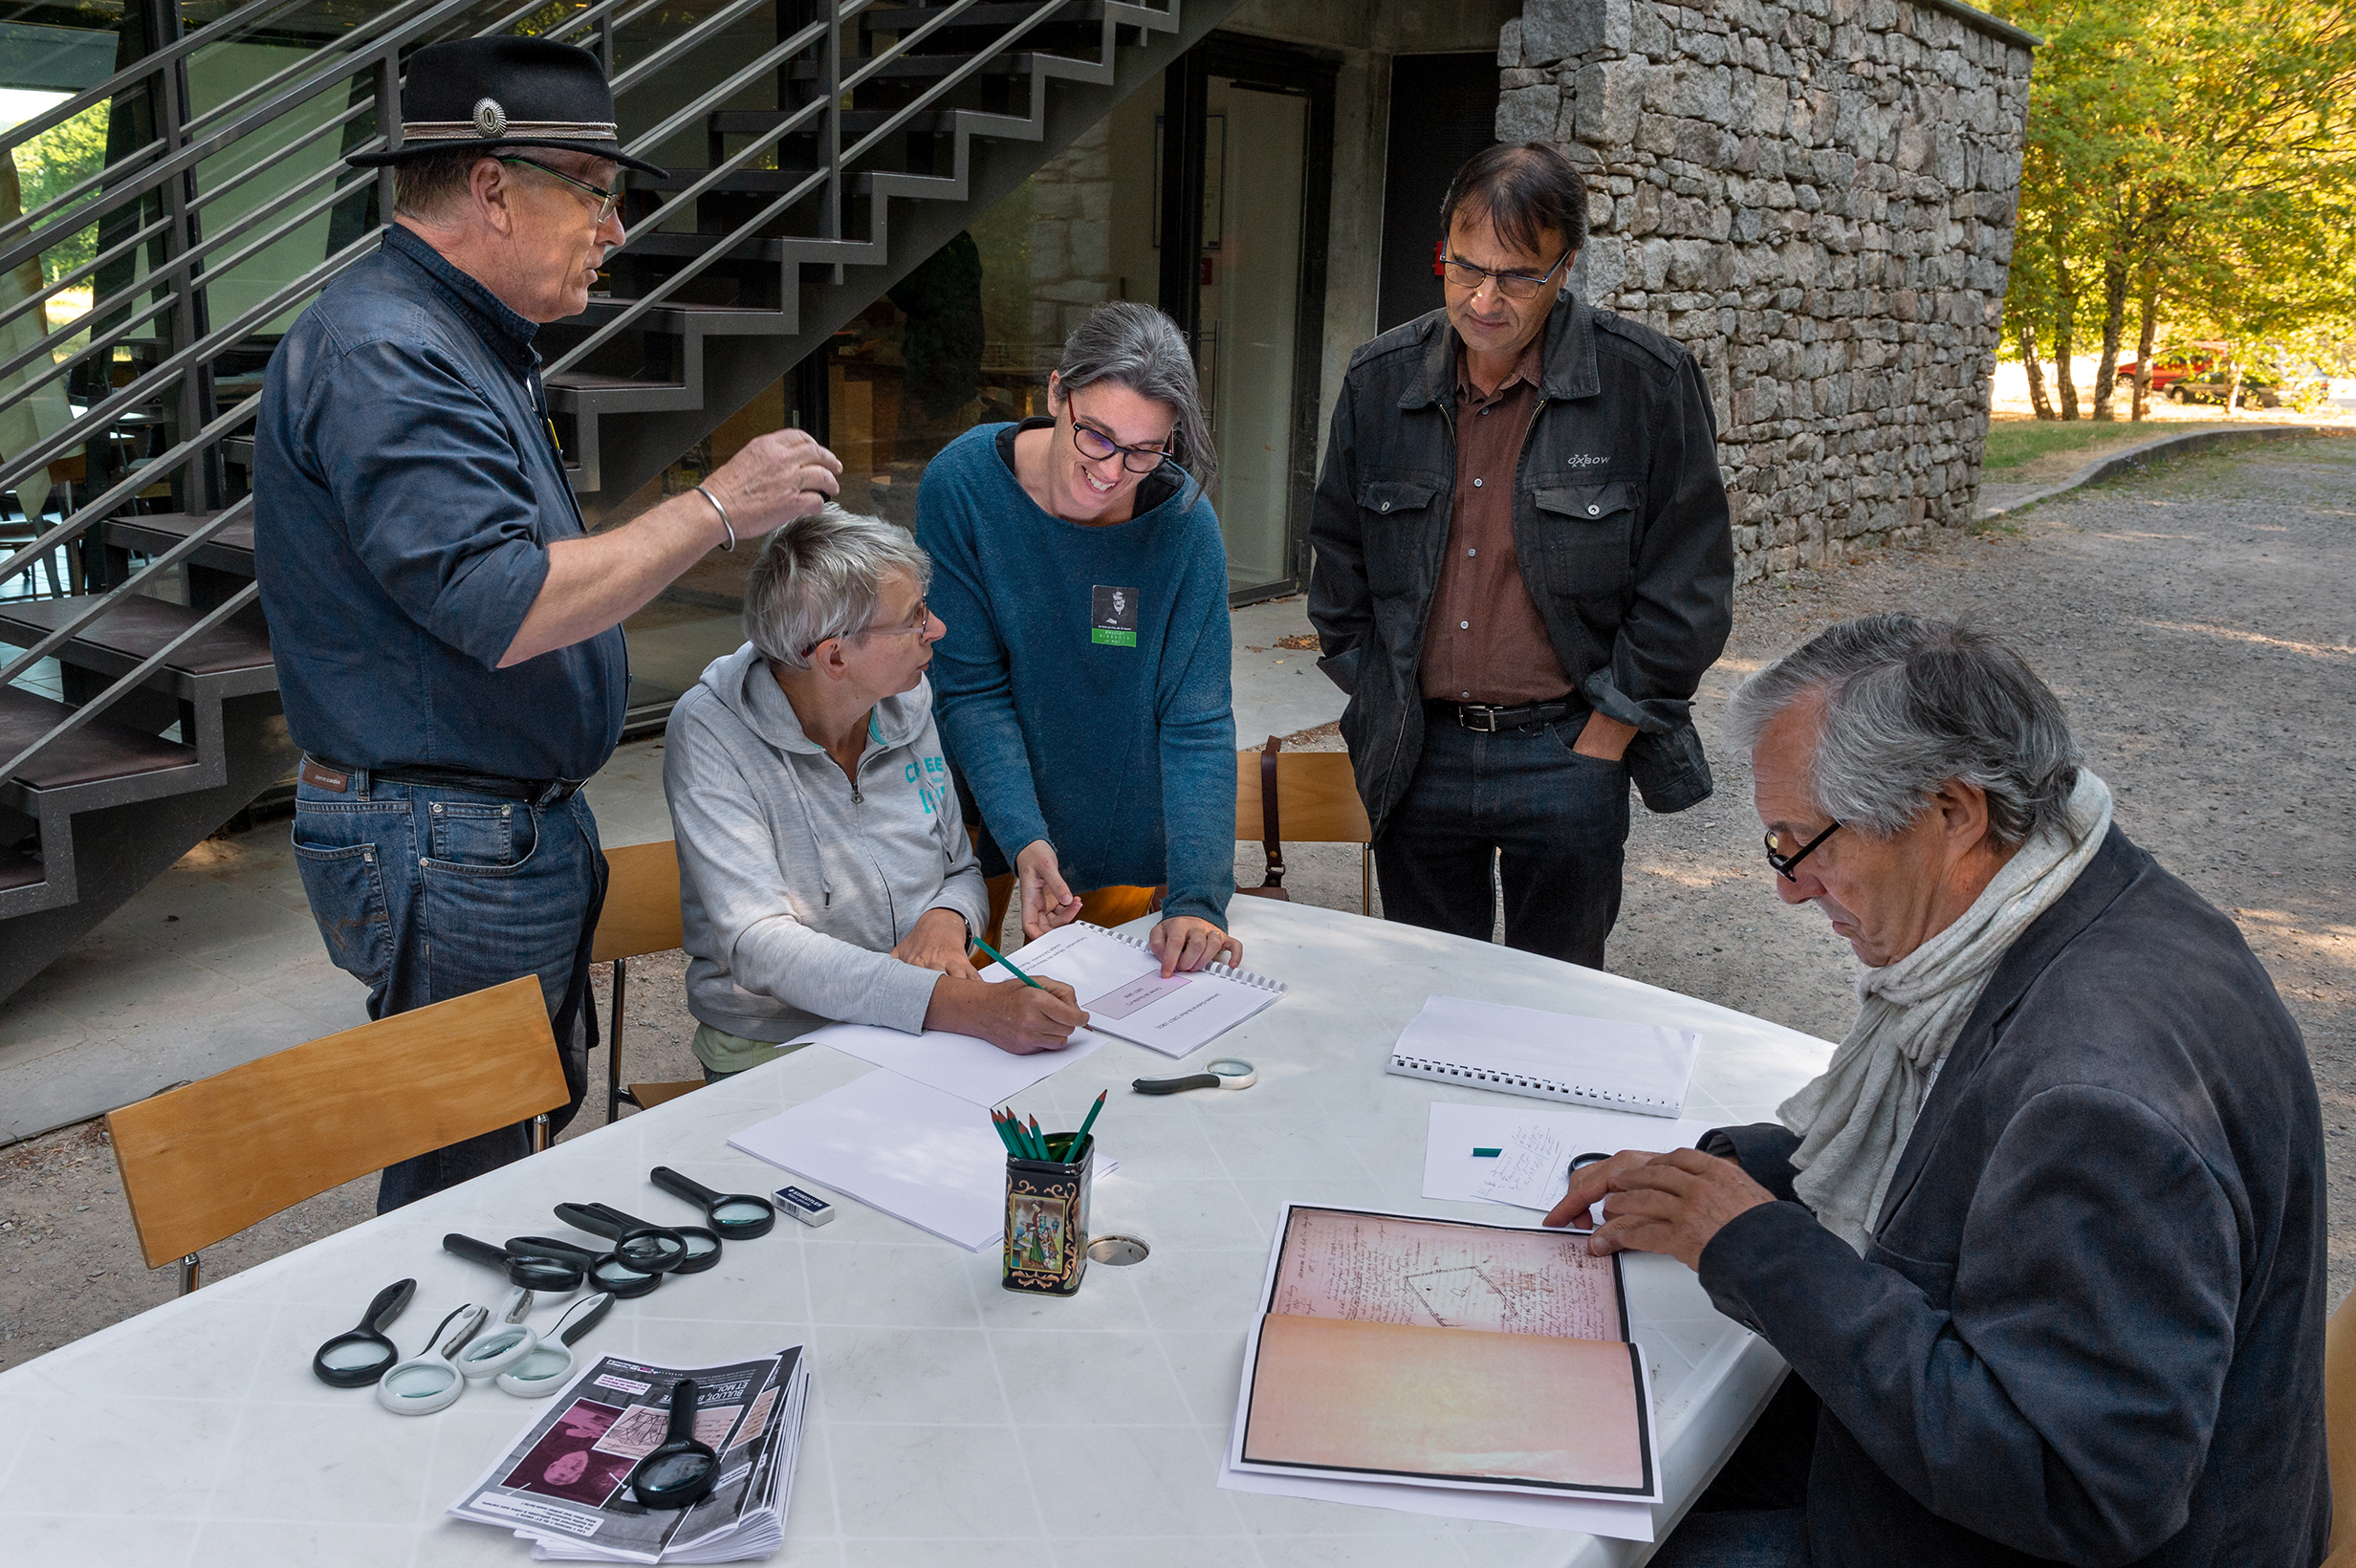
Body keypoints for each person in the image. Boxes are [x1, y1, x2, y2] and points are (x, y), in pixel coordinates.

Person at [1546, 615, 2328, 1566]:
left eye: (1802, 843)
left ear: (1952, 812)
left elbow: (2084, 1488)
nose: (1791, 889)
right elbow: (1942, 1163)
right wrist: (1721, 1180)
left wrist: (1757, 1246)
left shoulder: (2095, 1098)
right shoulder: (2082, 905)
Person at [253, 36, 841, 1209]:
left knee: (504, 1138)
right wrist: (717, 509)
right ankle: (441, 1384)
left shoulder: (457, 337)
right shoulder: (388, 348)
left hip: (481, 827)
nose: (614, 228)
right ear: (489, 185)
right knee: (461, 1175)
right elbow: (505, 600)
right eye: (595, 190)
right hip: (444, 830)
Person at [1307, 142, 1732, 969]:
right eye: (1464, 268)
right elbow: (1339, 569)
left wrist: (1610, 730)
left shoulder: (1646, 381)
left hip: (1568, 754)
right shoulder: (1377, 380)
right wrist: (1376, 703)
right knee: (1428, 994)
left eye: (1516, 275)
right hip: (1418, 754)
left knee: (1560, 1005)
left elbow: (1691, 583)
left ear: (1565, 266)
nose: (1484, 298)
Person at [663, 507, 1088, 1079]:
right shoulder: (711, 730)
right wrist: (968, 1007)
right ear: (835, 656)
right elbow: (759, 944)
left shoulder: (904, 697)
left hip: (918, 1024)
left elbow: (958, 868)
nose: (935, 629)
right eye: (913, 618)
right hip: (783, 1046)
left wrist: (945, 919)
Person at [916, 301, 1240, 977]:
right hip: (982, 808)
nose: (1113, 471)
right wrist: (1027, 837)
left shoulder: (1184, 527)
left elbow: (1198, 722)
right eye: (1096, 435)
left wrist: (1199, 899)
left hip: (1122, 828)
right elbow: (971, 689)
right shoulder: (965, 486)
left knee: (1100, 1018)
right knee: (961, 1015)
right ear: (1056, 393)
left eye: (1145, 450)